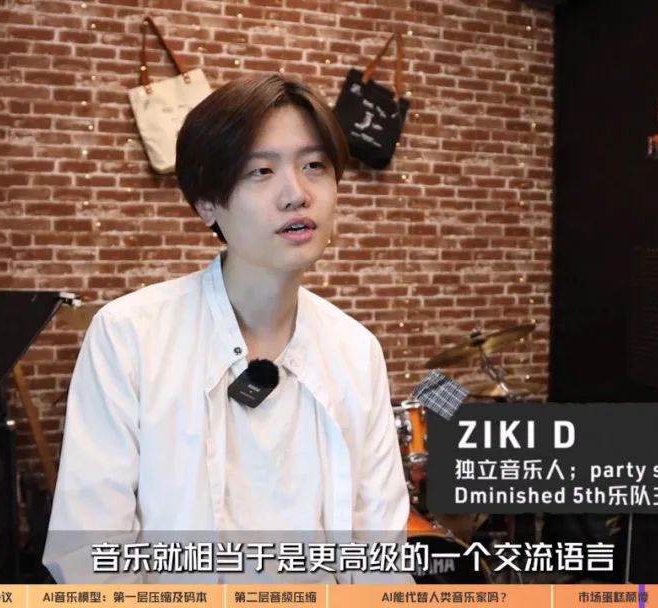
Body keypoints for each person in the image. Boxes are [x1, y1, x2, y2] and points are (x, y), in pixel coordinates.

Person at [43, 73, 411, 583]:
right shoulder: (130, 336)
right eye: (261, 171)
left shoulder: (356, 350)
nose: (296, 194)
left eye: (314, 166)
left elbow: (381, 555)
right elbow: (90, 554)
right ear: (207, 203)